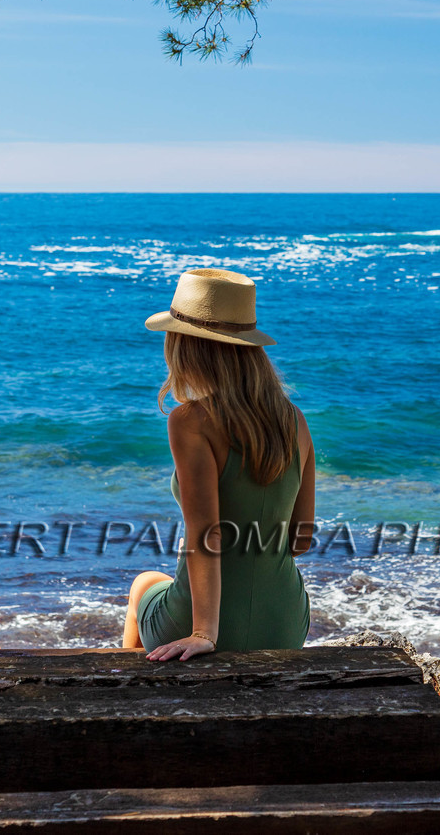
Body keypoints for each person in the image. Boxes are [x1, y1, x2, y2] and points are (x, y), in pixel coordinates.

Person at [123, 268, 316, 661]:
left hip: (208, 622)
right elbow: (301, 540)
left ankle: (131, 698)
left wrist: (204, 634)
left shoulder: (190, 419)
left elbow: (205, 535)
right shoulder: (294, 419)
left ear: (186, 345)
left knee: (144, 584)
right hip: (284, 622)